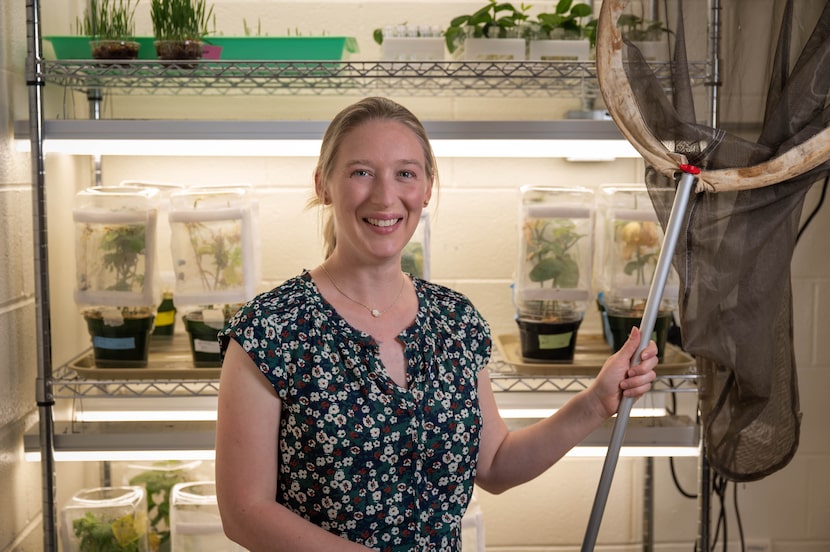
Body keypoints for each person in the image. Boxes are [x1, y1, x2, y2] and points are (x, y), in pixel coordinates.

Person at [214, 96, 659, 552]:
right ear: (323, 184)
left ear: (426, 189)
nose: (385, 196)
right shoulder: (270, 329)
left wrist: (595, 403)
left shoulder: (454, 321)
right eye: (361, 172)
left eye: (405, 173)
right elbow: (244, 512)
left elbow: (496, 464)